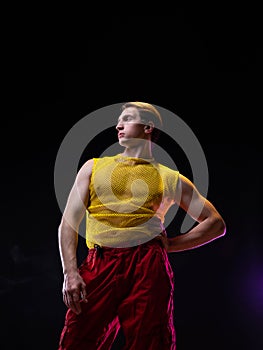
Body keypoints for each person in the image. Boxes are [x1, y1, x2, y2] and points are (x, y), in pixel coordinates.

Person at [57, 102, 226, 350]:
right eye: (119, 119)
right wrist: (70, 273)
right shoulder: (93, 167)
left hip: (147, 265)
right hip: (100, 263)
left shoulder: (169, 177)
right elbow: (68, 223)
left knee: (150, 343)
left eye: (127, 118)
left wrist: (169, 245)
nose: (118, 125)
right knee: (77, 341)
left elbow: (215, 223)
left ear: (148, 127)